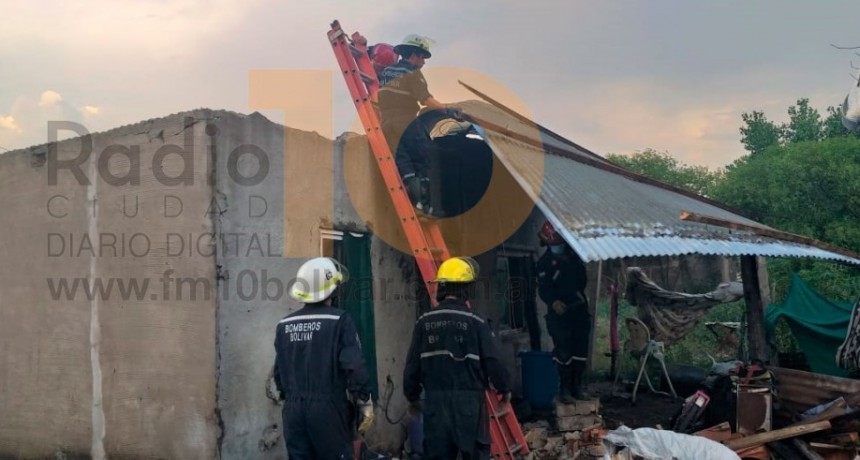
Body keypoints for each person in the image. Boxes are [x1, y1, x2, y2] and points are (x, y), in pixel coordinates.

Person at [403, 257, 511, 460]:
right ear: (466, 289)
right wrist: (504, 388)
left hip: (435, 403)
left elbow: (412, 366)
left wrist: (412, 396)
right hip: (469, 404)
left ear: (441, 288)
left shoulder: (423, 323)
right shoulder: (476, 323)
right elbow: (493, 361)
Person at [273, 257, 374, 459]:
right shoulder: (340, 320)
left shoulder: (284, 325)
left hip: (293, 411)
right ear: (333, 289)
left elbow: (278, 372)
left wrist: (290, 397)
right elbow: (353, 365)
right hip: (327, 410)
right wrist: (363, 400)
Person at [377, 34, 465, 214]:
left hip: (386, 123)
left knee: (403, 161)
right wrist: (447, 110)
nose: (424, 62)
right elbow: (425, 99)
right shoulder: (413, 73)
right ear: (414, 55)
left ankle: (411, 202)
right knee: (421, 158)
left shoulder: (387, 71)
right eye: (423, 57)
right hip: (405, 120)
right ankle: (424, 206)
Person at [536, 221, 592, 404]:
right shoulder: (544, 263)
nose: (558, 248)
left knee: (580, 351)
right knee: (564, 352)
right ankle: (565, 390)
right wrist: (553, 302)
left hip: (579, 311)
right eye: (555, 245)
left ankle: (578, 387)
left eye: (560, 244)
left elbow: (582, 280)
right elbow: (544, 289)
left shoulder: (574, 257)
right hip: (559, 315)